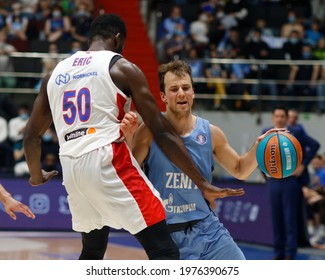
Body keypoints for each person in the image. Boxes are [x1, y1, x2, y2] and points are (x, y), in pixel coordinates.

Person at [23, 13, 244, 260]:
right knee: (165, 250)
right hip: (107, 161)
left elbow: (31, 135)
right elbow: (161, 131)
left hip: (72, 169)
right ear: (117, 39)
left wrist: (36, 175)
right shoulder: (121, 67)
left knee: (93, 249)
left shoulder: (54, 74)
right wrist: (202, 183)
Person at [121, 60, 279, 260]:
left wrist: (259, 148)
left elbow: (240, 170)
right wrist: (128, 138)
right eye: (174, 89)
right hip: (167, 236)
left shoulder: (211, 133)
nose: (181, 93)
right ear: (163, 96)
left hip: (209, 230)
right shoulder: (148, 131)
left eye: (186, 88)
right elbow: (129, 173)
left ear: (193, 92)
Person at [262, 106, 320, 260]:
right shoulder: (266, 133)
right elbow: (259, 154)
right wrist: (264, 173)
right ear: (273, 117)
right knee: (276, 218)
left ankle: (290, 253)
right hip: (273, 181)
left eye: (282, 116)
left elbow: (315, 145)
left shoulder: (297, 132)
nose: (279, 119)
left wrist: (303, 165)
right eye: (277, 116)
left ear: (287, 118)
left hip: (290, 182)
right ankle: (278, 252)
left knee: (290, 218)